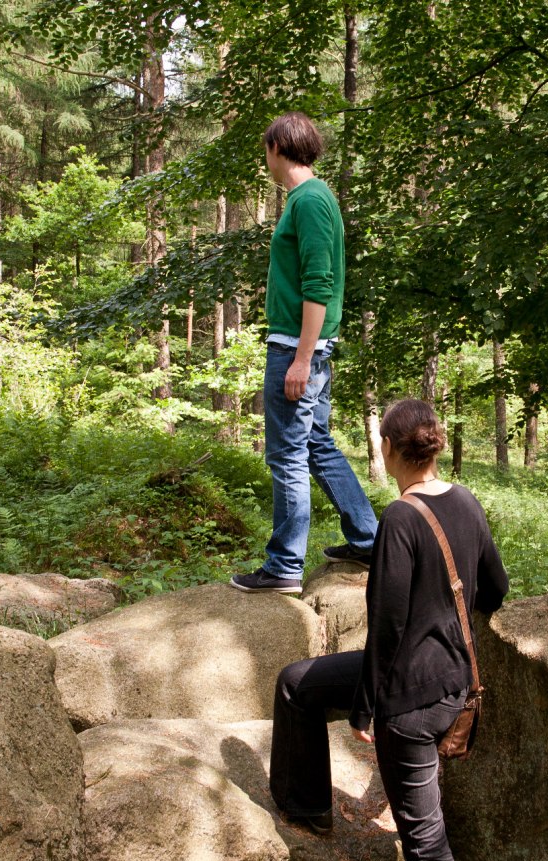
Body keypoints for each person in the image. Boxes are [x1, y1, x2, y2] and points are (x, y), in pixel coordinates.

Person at [269, 398, 509, 861]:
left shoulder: (400, 519)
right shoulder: (466, 502)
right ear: (437, 446)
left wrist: (367, 705)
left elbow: (390, 625)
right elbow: (495, 591)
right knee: (298, 683)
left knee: (426, 843)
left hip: (408, 698)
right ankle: (308, 807)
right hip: (452, 684)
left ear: (390, 450)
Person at [230, 111, 379, 594]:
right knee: (315, 444)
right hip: (305, 346)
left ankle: (284, 566)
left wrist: (301, 357)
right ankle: (369, 540)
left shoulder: (310, 200)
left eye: (265, 150)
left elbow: (320, 283)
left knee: (287, 455)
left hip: (298, 347)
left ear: (278, 147)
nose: (265, 160)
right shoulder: (311, 198)